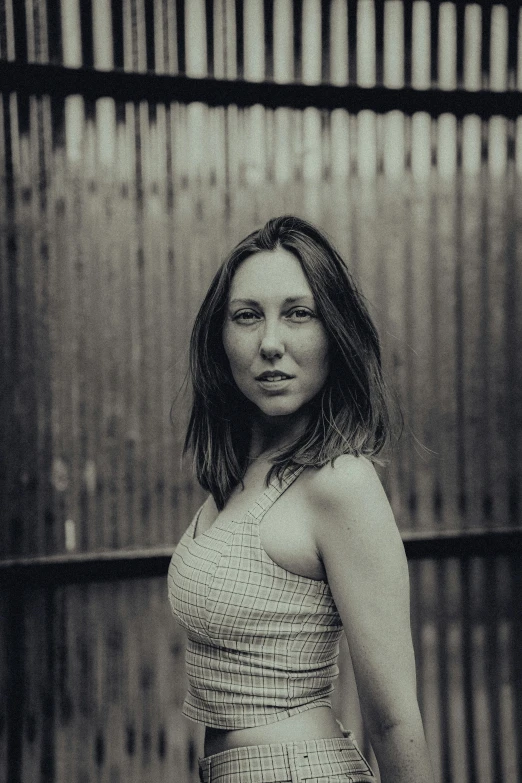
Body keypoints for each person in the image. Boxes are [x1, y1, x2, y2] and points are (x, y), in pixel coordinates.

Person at [168, 216, 434, 783]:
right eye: (247, 316)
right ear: (219, 337)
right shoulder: (239, 476)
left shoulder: (341, 483)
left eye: (299, 313)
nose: (270, 343)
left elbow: (392, 718)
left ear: (333, 333)